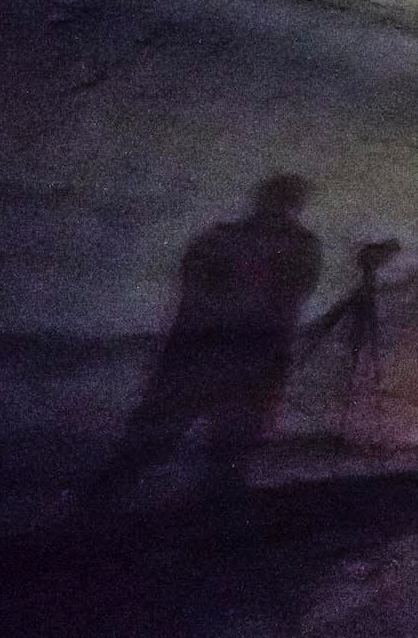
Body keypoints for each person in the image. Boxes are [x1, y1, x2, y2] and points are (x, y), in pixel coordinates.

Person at [83, 174, 324, 508]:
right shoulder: (271, 242)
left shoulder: (237, 240)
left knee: (214, 444)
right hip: (222, 350)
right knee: (173, 439)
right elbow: (279, 298)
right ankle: (101, 508)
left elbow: (286, 296)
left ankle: (106, 508)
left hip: (224, 351)